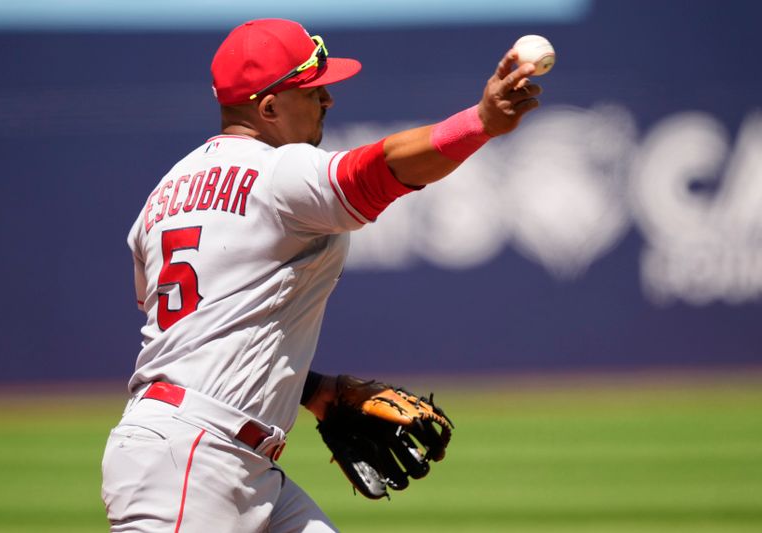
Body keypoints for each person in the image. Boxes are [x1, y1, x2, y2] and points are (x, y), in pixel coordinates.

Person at [100, 17, 541, 533]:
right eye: (311, 89)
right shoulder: (278, 171)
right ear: (268, 108)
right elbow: (379, 168)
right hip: (190, 463)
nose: (327, 99)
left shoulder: (164, 195)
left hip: (215, 454)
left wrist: (315, 391)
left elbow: (202, 331)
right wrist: (481, 120)